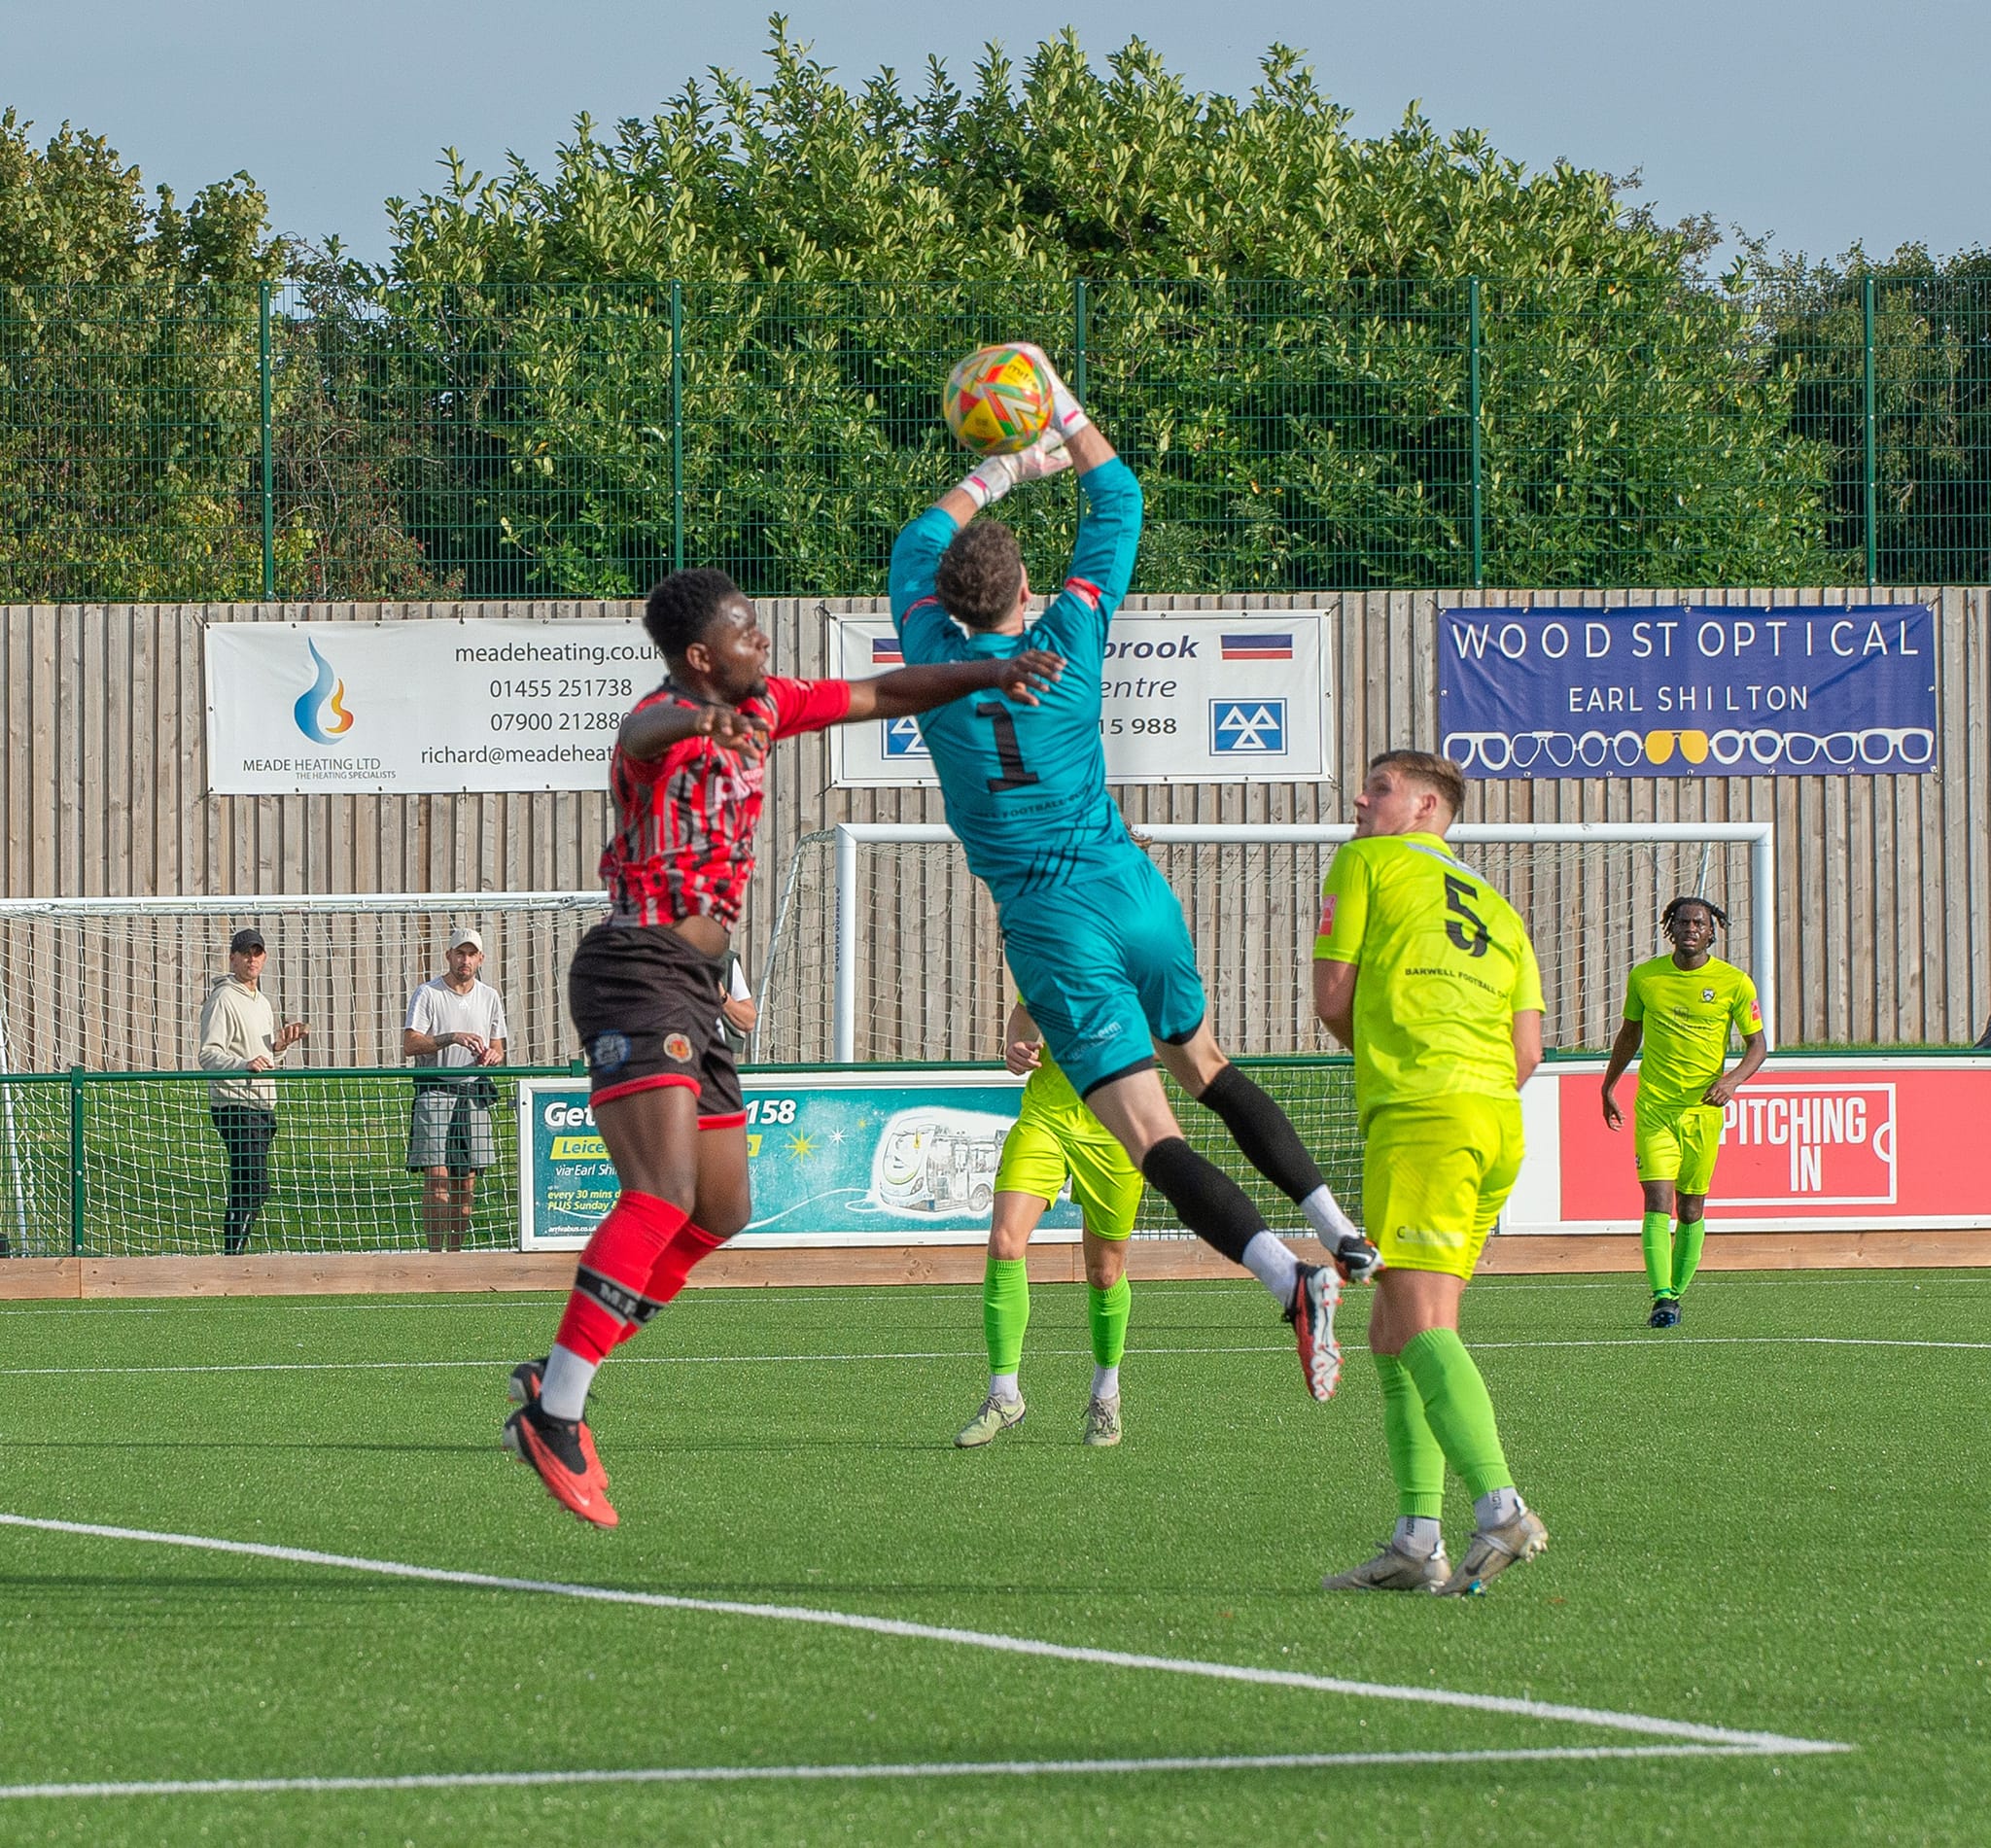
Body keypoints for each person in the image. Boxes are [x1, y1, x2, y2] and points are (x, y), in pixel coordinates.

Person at [501, 568, 1065, 1528]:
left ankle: (565, 1365)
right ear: (698, 656)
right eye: (745, 632)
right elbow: (634, 735)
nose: (762, 642)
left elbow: (883, 692)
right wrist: (692, 727)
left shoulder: (763, 702)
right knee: (660, 1192)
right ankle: (554, 1414)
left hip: (699, 988)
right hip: (635, 966)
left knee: (722, 1206)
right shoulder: (661, 722)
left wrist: (989, 670)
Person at [888, 345, 1378, 1407]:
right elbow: (1117, 490)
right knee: (1207, 1062)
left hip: (1052, 925)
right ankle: (1339, 1225)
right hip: (1134, 891)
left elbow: (917, 540)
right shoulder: (1069, 632)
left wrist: (995, 471)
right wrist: (1053, 410)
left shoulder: (929, 661)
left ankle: (1289, 1281)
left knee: (1150, 1135)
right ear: (1025, 587)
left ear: (940, 604)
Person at [1313, 750, 1548, 1596]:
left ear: (1424, 807)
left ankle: (1501, 1508)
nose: (1360, 800)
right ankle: (1417, 1540)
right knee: (1395, 1326)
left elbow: (1333, 997)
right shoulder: (1500, 906)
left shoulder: (1366, 859)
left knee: (1417, 1323)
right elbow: (1529, 1053)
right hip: (1495, 1121)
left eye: (1376, 788)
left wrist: (1401, 1067)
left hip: (1422, 1112)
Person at [955, 994, 1144, 1451]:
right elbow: (1025, 1015)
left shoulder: (1144, 955)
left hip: (1116, 1128)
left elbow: (1174, 1039)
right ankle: (1003, 1395)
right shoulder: (1049, 948)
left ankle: (1106, 1397)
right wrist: (1017, 1047)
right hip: (1045, 1118)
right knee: (1004, 1242)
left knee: (1105, 1273)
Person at [1600, 896, 1767, 1329]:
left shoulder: (1734, 983)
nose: (1692, 928)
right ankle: (1661, 1297)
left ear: (1713, 932)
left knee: (1691, 1208)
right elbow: (1629, 1033)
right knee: (1657, 1201)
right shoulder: (1646, 977)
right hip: (1656, 1107)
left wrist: (1730, 1082)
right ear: (1669, 929)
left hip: (1703, 1112)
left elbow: (1758, 1046)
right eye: (1684, 921)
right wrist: (1609, 1084)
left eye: (1701, 922)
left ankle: (1675, 1293)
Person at [196, 927, 308, 1256]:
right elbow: (208, 1054)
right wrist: (243, 1063)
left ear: (265, 958)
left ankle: (233, 1255)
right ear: (232, 958)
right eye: (245, 952)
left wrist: (280, 1047)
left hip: (260, 1104)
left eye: (257, 952)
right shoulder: (223, 998)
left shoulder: (262, 1002)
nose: (251, 958)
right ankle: (232, 1258)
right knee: (252, 1184)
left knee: (252, 1185)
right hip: (235, 1103)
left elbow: (264, 1057)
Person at [402, 926, 510, 1254]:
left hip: (473, 1092)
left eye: (471, 954)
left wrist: (493, 1055)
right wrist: (451, 1036)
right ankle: (435, 1258)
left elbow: (499, 1047)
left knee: (466, 1182)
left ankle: (455, 1254)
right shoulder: (428, 993)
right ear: (448, 955)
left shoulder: (489, 996)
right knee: (436, 1177)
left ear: (481, 959)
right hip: (435, 1090)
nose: (465, 960)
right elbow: (410, 1044)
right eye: (459, 953)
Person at [716, 951, 756, 1061]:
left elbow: (748, 1022)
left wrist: (723, 998)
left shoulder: (725, 962)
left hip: (718, 1061)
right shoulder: (666, 958)